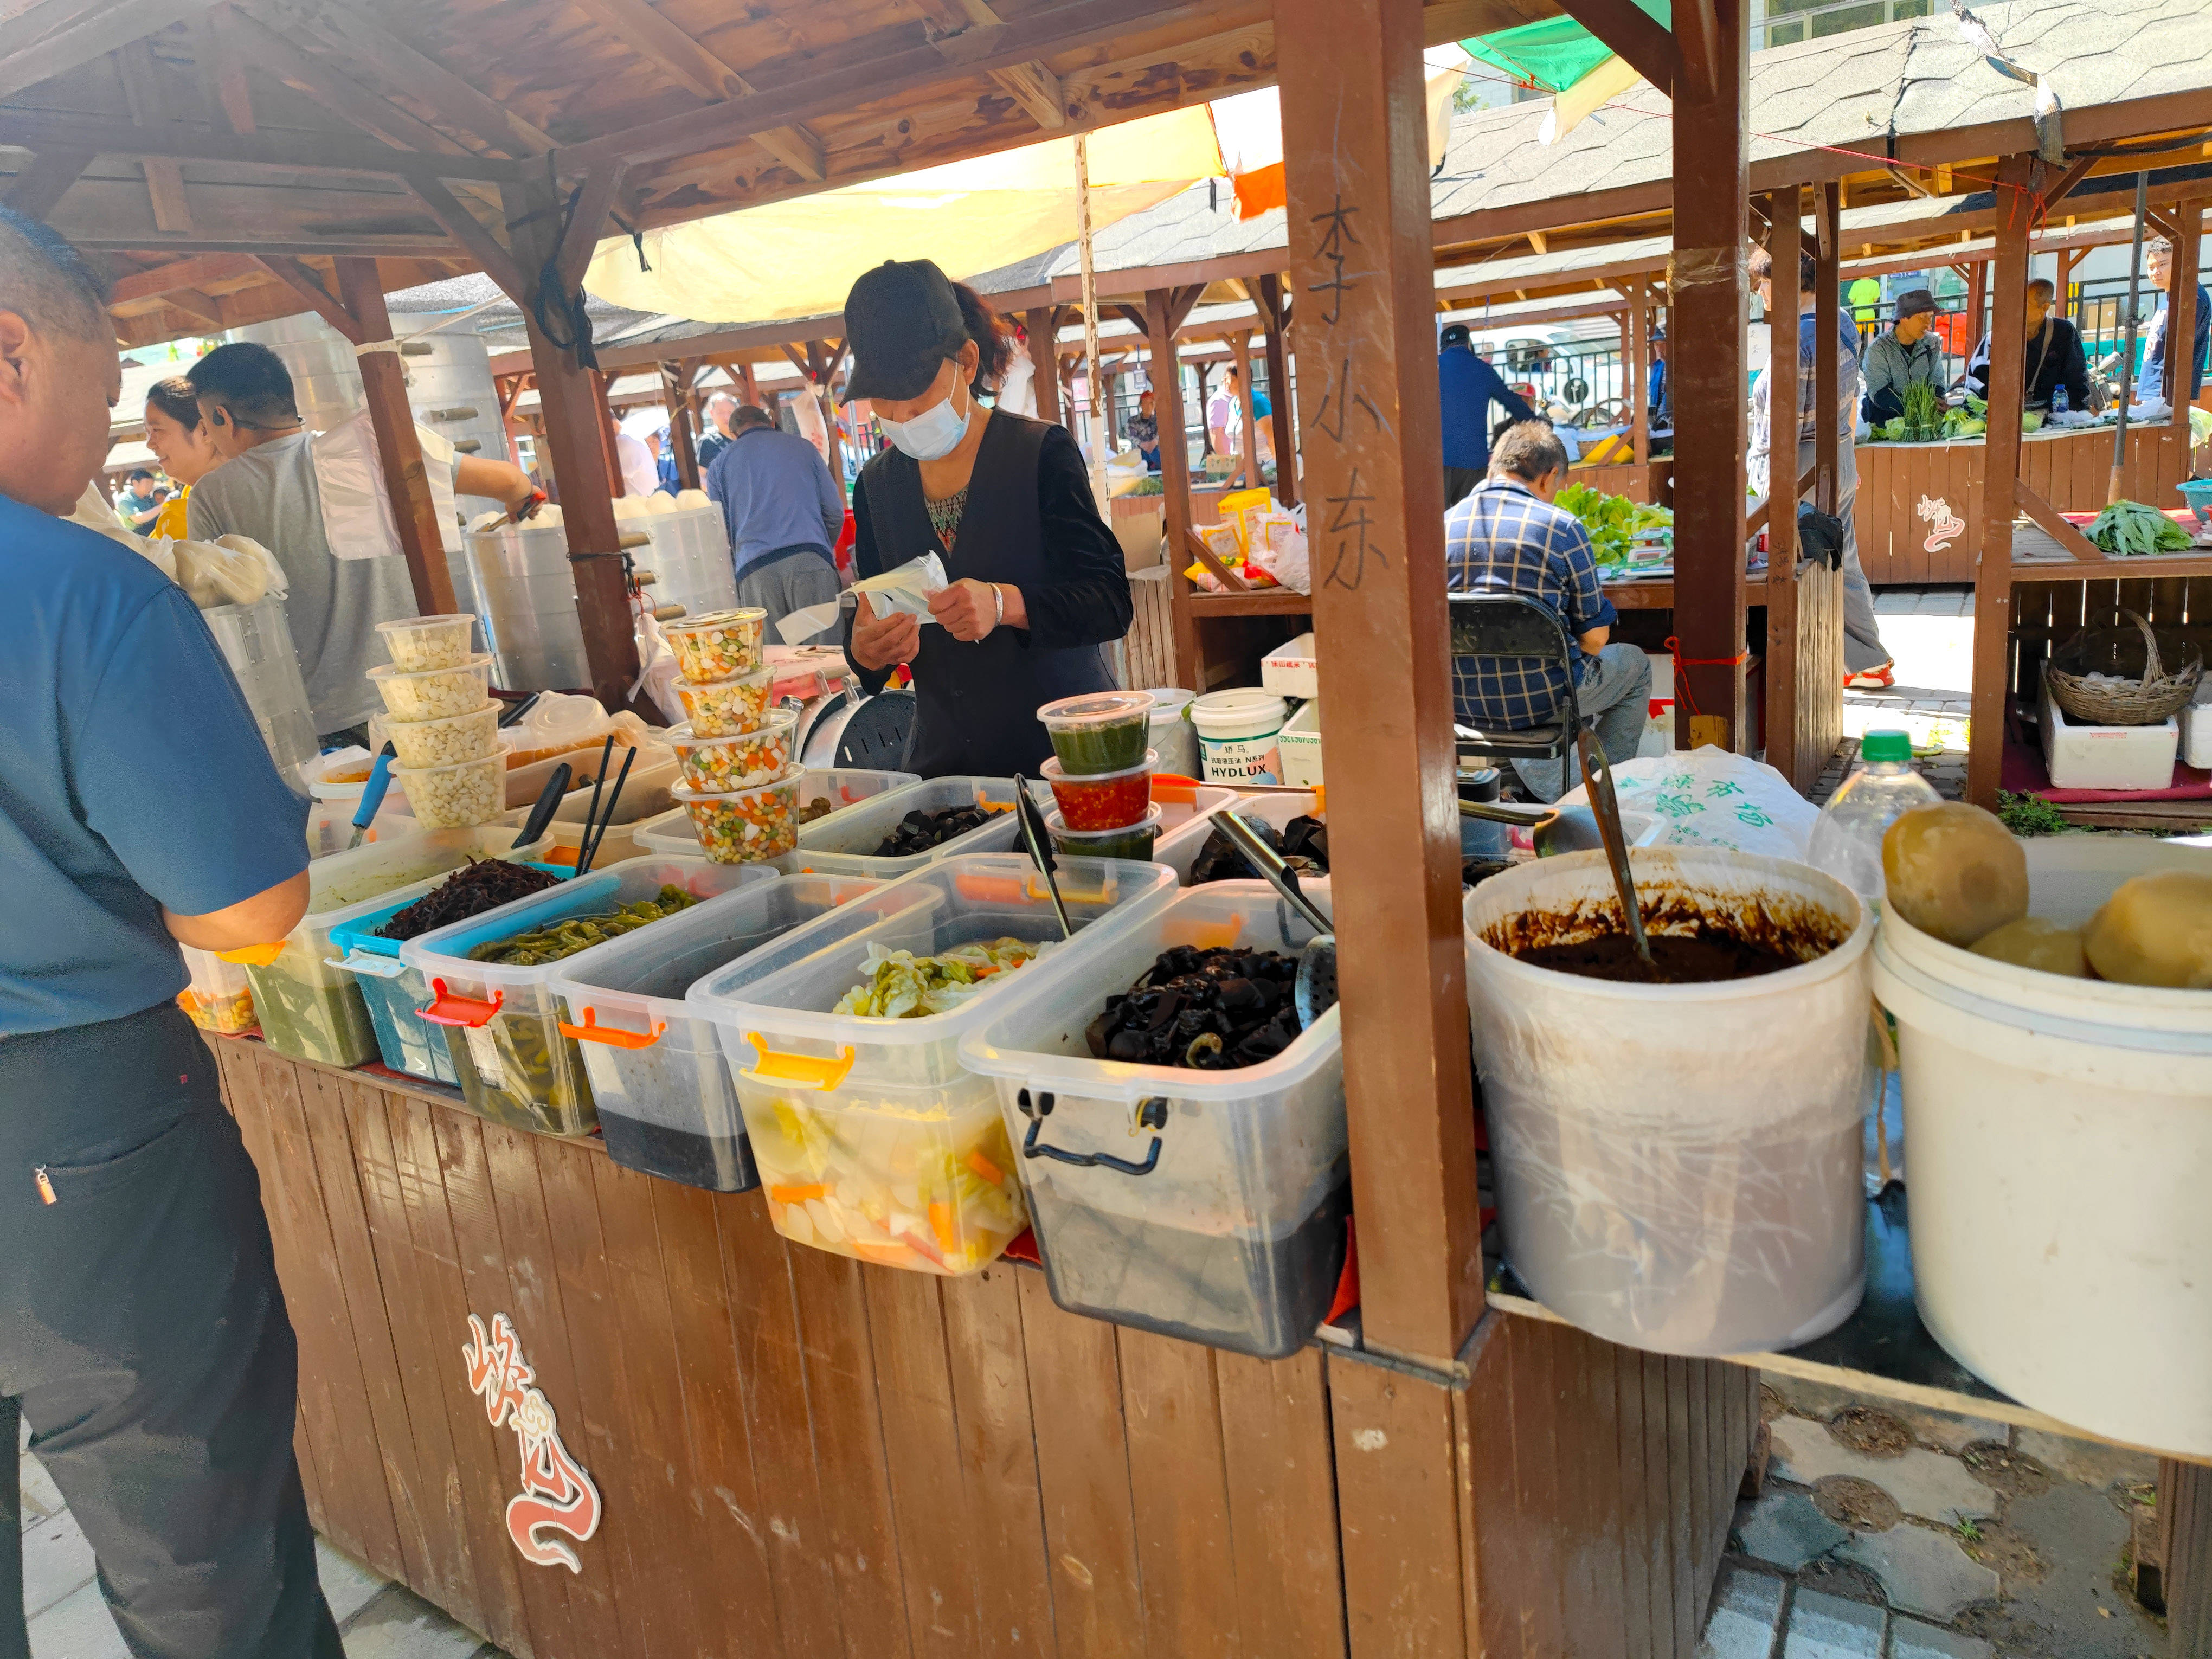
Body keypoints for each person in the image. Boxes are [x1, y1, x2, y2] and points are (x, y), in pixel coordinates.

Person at [0, 204, 343, 1659]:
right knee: (202, 1574)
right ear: (13, 352)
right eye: (105, 373)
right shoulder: (78, 584)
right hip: (75, 1139)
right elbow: (249, 909)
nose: (105, 429)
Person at [840, 258, 1131, 777]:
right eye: (883, 404)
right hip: (948, 772)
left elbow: (1109, 601)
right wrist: (867, 651)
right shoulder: (876, 488)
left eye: (917, 397)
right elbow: (867, 619)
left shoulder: (1039, 454)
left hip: (1067, 760)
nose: (902, 418)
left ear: (967, 363)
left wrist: (1005, 603)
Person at [184, 342, 541, 746]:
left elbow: (215, 613)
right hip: (425, 695)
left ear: (222, 417)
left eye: (205, 425)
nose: (209, 437)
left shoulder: (213, 495)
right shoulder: (367, 451)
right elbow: (510, 481)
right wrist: (522, 499)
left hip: (321, 722)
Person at [1446, 421, 1652, 803]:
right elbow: (1596, 638)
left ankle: (1515, 793)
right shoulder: (1562, 528)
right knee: (1635, 666)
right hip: (1543, 700)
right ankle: (1609, 792)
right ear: (1550, 476)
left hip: (1461, 705)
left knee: (1504, 682)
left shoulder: (1441, 527)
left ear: (1494, 464)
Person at [1750, 245, 1893, 690]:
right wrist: (1847, 458)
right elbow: (1850, 400)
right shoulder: (1841, 320)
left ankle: (1815, 670)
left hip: (1802, 470)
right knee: (1842, 561)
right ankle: (1869, 662)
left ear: (1789, 283)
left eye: (1764, 283)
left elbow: (1780, 433)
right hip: (1839, 454)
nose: (1761, 293)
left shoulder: (1795, 342)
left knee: (1804, 572)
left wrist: (1768, 487)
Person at [704, 401, 846, 646]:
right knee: (827, 658)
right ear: (770, 423)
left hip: (755, 573)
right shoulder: (804, 448)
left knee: (779, 667)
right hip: (809, 563)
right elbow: (834, 512)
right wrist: (819, 550)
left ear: (733, 433)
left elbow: (719, 534)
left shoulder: (719, 466)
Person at [1439, 323, 1537, 508]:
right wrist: (1538, 424)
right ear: (1469, 344)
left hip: (1439, 460)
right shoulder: (1483, 370)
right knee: (1469, 519)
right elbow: (1512, 402)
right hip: (1473, 461)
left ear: (1442, 348)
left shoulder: (1431, 368)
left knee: (1439, 521)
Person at [1962, 276, 2092, 413]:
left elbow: (2077, 383)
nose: (2018, 308)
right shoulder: (1998, 337)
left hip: (2055, 418)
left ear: (2045, 307)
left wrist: (2074, 416)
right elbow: (1975, 386)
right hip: (2005, 420)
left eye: (2026, 304)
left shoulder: (2063, 332)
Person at [141, 375, 221, 538]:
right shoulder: (192, 497)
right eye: (147, 432)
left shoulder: (241, 502)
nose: (150, 444)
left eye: (157, 430)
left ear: (205, 430)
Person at [1861, 287, 1944, 423]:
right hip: (1886, 421)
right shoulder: (1879, 348)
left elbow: (1937, 382)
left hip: (1924, 422)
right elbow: (1880, 394)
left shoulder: (1931, 343)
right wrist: (1920, 406)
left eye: (1930, 317)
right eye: (1922, 318)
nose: (1929, 324)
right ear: (1904, 319)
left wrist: (1938, 402)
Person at [2143, 237, 2210, 403]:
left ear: (2181, 262)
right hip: (2156, 392)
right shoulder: (2170, 295)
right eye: (2151, 267)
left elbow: (2182, 350)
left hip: (2168, 395)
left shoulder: (2190, 296)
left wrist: (2170, 396)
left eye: (2163, 264)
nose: (2156, 272)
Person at [696, 391, 740, 471]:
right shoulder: (708, 442)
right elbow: (702, 477)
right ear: (712, 414)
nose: (726, 417)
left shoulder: (747, 438)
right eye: (720, 412)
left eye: (730, 412)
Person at [114, 466, 165, 533]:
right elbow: (138, 519)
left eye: (152, 485)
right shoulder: (125, 499)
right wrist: (163, 506)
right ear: (135, 483)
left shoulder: (147, 498)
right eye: (147, 484)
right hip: (135, 535)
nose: (150, 487)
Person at [1125, 387, 1161, 470]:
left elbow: (1163, 433)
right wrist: (1142, 444)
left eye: (1151, 403)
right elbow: (1130, 436)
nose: (1149, 406)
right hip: (1139, 453)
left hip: (1156, 452)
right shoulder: (1132, 421)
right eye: (1146, 403)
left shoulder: (1158, 421)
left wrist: (1155, 442)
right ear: (1141, 405)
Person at [1647, 328, 1670, 428]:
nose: (1659, 349)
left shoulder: (1676, 365)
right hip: (1658, 413)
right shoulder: (1657, 366)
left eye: (1663, 344)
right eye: (1656, 345)